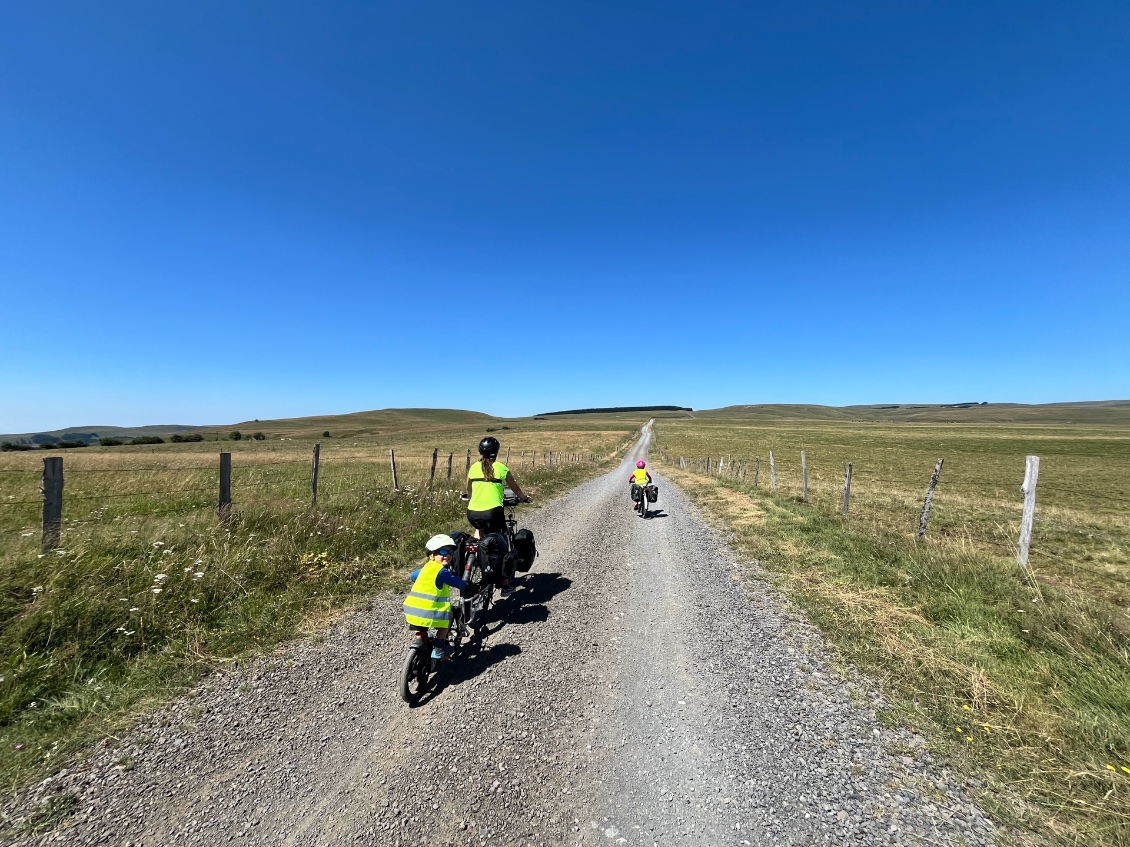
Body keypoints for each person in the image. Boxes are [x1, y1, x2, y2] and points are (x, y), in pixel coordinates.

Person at [465, 436, 530, 597]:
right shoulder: (501, 468)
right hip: (493, 511)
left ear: (480, 451)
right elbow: (514, 488)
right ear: (497, 452)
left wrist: (470, 495)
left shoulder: (473, 467)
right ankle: (505, 583)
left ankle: (474, 559)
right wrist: (523, 498)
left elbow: (468, 488)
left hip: (472, 512)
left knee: (479, 532)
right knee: (502, 545)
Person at [403, 533, 468, 660]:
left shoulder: (426, 568)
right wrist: (466, 584)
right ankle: (438, 648)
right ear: (432, 555)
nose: (447, 555)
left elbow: (412, 576)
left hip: (411, 610)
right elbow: (458, 583)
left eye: (450, 552)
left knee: (421, 624)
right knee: (448, 615)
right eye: (443, 551)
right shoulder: (442, 572)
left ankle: (420, 641)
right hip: (429, 612)